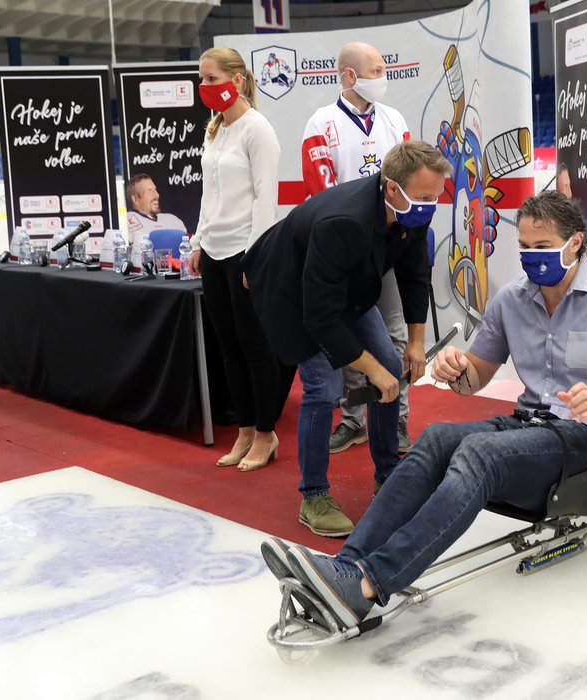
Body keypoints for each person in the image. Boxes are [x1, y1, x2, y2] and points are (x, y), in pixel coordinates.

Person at [260, 190, 587, 627]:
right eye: (525, 248)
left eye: (543, 248)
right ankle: (345, 568)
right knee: (436, 438)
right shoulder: (512, 299)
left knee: (479, 454)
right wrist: (457, 369)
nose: (532, 258)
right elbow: (476, 375)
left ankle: (367, 585)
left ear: (576, 244)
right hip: (532, 427)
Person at [243, 140, 450, 537]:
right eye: (426, 196)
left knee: (390, 367)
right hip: (288, 289)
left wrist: (416, 342)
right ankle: (314, 496)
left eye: (436, 196)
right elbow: (319, 316)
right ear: (392, 187)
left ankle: (388, 475)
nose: (431, 205)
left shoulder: (412, 207)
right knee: (325, 386)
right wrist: (370, 369)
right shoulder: (346, 221)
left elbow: (414, 274)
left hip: (339, 286)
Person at [301, 41, 415, 457]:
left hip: (386, 246)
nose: (383, 77)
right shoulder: (322, 123)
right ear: (350, 75)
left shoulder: (393, 119)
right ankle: (354, 420)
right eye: (376, 69)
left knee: (395, 333)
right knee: (350, 336)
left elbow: (409, 177)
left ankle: (397, 415)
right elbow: (322, 192)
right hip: (344, 249)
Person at [189, 47, 282, 473]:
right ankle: (244, 430)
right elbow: (209, 194)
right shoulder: (214, 130)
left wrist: (255, 256)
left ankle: (266, 433)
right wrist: (196, 242)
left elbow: (267, 198)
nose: (204, 87)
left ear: (238, 79)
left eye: (211, 79)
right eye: (202, 79)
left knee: (255, 347)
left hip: (245, 251)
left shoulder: (256, 129)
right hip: (213, 251)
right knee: (228, 347)